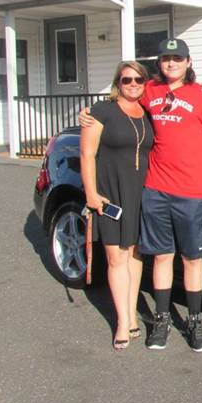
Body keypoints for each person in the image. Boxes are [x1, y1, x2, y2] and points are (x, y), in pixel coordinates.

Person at [138, 38, 202, 352]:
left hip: (193, 192)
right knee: (162, 256)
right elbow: (120, 96)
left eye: (178, 58)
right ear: (159, 63)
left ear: (188, 62)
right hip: (156, 190)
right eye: (166, 59)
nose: (171, 64)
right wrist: (90, 113)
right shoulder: (150, 91)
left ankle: (194, 322)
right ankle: (161, 320)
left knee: (192, 258)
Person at [80, 61, 153, 350]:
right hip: (111, 193)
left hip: (142, 193)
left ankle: (132, 311)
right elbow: (87, 154)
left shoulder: (148, 112)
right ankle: (122, 321)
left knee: (136, 255)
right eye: (126, 80)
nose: (133, 84)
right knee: (115, 258)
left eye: (139, 79)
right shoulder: (101, 111)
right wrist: (91, 194)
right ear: (117, 83)